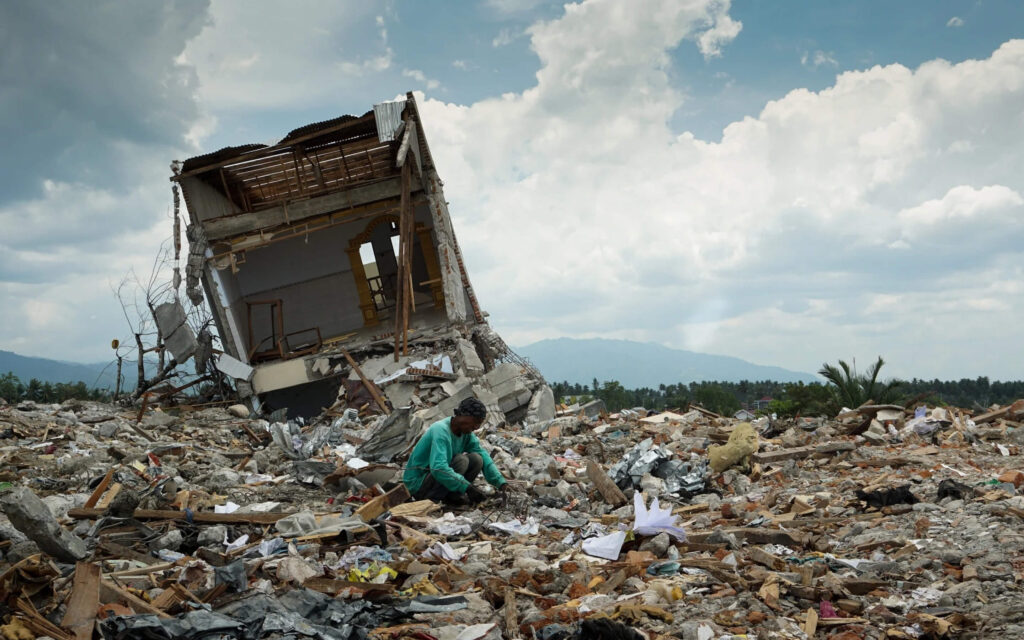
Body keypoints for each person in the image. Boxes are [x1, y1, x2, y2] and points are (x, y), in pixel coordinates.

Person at [403, 397, 508, 506]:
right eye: (475, 422)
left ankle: (452, 497)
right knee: (461, 460)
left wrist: (500, 482)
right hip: (418, 484)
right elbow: (438, 468)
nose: (476, 427)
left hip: (433, 479)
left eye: (479, 424)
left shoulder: (466, 434)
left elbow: (483, 455)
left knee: (477, 459)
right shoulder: (441, 430)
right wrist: (467, 487)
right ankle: (431, 500)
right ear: (462, 415)